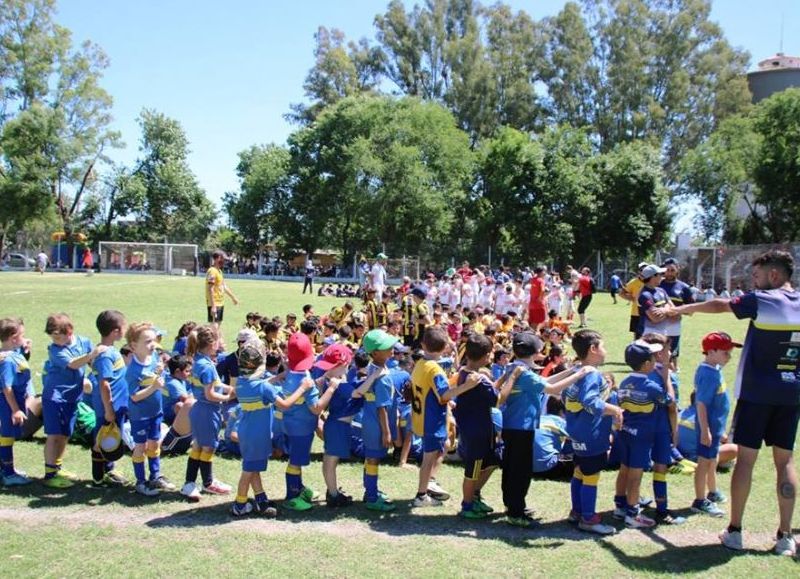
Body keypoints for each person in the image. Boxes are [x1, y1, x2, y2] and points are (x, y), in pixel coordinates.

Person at [668, 250, 800, 556]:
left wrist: (685, 308)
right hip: (791, 394)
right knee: (786, 462)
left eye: (756, 277)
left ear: (775, 275)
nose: (753, 283)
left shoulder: (763, 300)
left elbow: (719, 304)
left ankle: (735, 531)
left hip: (756, 395)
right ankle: (784, 536)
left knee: (746, 461)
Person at [500, 332, 595, 527]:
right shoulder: (524, 373)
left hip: (514, 427)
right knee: (519, 471)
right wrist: (579, 374)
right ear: (535, 352)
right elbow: (552, 390)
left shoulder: (515, 367)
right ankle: (516, 513)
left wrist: (571, 371)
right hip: (521, 428)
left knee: (513, 469)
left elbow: (547, 383)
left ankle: (514, 506)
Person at [230, 340, 312, 517]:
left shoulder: (241, 383)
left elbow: (260, 384)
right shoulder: (263, 387)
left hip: (247, 431)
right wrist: (302, 388)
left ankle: (261, 499)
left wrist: (279, 376)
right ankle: (240, 503)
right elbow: (285, 405)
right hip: (257, 434)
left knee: (253, 467)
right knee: (248, 471)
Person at [563, 329, 623, 535]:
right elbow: (588, 401)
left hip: (576, 432)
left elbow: (565, 396)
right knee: (591, 475)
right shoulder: (592, 374)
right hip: (591, 434)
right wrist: (613, 409)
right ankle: (588, 518)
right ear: (593, 349)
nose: (605, 351)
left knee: (580, 471)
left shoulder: (576, 370)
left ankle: (577, 512)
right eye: (603, 346)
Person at [411, 326, 478, 507]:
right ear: (445, 348)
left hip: (422, 417)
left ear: (423, 344)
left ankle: (429, 480)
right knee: (428, 458)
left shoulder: (420, 364)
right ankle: (421, 495)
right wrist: (467, 386)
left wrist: (455, 379)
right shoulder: (435, 370)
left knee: (446, 444)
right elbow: (444, 394)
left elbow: (432, 389)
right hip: (431, 420)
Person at [41, 313, 105, 488]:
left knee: (65, 434)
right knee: (54, 435)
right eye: (52, 336)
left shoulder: (83, 342)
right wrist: (90, 355)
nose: (55, 340)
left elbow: (92, 363)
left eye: (58, 336)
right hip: (55, 398)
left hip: (73, 397)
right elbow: (73, 364)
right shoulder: (55, 350)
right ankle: (49, 474)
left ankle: (57, 467)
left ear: (69, 332)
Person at [280, 332, 341, 511]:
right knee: (295, 462)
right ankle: (292, 496)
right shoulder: (304, 380)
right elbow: (316, 408)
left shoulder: (291, 373)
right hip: (301, 428)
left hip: (291, 424)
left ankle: (298, 488)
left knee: (296, 459)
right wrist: (331, 389)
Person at [615, 340, 670, 529]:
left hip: (625, 433)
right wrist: (667, 378)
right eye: (654, 358)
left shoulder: (624, 382)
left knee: (624, 469)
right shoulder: (651, 387)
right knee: (636, 475)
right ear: (647, 364)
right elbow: (669, 401)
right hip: (641, 437)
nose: (656, 361)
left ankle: (620, 505)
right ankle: (632, 513)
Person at [180, 325, 234, 502]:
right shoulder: (208, 366)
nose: (221, 342)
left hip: (199, 409)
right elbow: (210, 394)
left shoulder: (200, 360)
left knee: (198, 446)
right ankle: (207, 482)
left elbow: (216, 384)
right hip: (207, 410)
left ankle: (191, 483)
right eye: (219, 339)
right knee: (208, 447)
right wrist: (228, 397)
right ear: (211, 343)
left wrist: (231, 388)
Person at [351, 330, 401, 511]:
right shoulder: (382, 377)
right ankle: (371, 497)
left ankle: (370, 490)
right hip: (376, 425)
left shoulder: (374, 368)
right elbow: (382, 408)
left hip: (370, 422)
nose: (391, 349)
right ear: (375, 353)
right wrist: (387, 432)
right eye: (386, 347)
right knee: (373, 459)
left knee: (371, 458)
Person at [125, 322, 174, 496]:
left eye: (153, 340)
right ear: (133, 346)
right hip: (140, 416)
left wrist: (160, 372)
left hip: (156, 412)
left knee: (154, 444)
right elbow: (134, 397)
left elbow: (157, 380)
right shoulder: (132, 370)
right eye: (147, 341)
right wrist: (153, 387)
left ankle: (155, 475)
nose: (152, 344)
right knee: (141, 446)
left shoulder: (153, 359)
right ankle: (140, 481)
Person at [90, 310, 129, 487]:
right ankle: (98, 477)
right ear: (115, 331)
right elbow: (104, 384)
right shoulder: (105, 355)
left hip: (115, 406)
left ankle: (109, 470)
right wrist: (108, 410)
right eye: (123, 327)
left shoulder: (110, 350)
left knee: (110, 439)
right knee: (102, 440)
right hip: (108, 408)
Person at [0, 318, 33, 485]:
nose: (25, 338)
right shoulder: (7, 361)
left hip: (14, 402)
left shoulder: (14, 354)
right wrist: (15, 410)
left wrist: (26, 351)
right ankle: (9, 474)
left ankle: (5, 470)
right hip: (7, 404)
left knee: (7, 436)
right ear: (13, 337)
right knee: (6, 437)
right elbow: (7, 388)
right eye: (22, 335)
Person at [659, 258, 694, 371]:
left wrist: (678, 312)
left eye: (672, 270)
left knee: (673, 349)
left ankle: (674, 370)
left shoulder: (684, 288)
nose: (669, 272)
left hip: (674, 324)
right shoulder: (658, 285)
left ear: (677, 270)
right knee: (658, 346)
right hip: (658, 323)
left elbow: (691, 309)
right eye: (667, 270)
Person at [205, 250, 239, 327]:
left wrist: (233, 297)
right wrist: (213, 306)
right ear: (218, 258)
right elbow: (210, 289)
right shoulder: (212, 271)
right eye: (224, 259)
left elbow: (223, 286)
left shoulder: (219, 271)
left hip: (220, 302)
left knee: (217, 325)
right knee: (214, 327)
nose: (224, 261)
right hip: (214, 303)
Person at [620, 263, 649, 339]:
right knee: (637, 337)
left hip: (649, 313)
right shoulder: (633, 282)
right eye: (641, 270)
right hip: (636, 313)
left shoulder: (652, 281)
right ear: (639, 271)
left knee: (650, 336)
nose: (643, 272)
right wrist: (632, 299)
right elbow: (622, 293)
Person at [527, 266, 548, 332]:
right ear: (541, 272)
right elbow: (542, 290)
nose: (545, 273)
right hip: (539, 305)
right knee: (541, 321)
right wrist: (540, 298)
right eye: (544, 271)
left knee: (533, 321)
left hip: (532, 303)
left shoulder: (533, 279)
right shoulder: (541, 280)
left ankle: (530, 333)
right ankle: (534, 334)